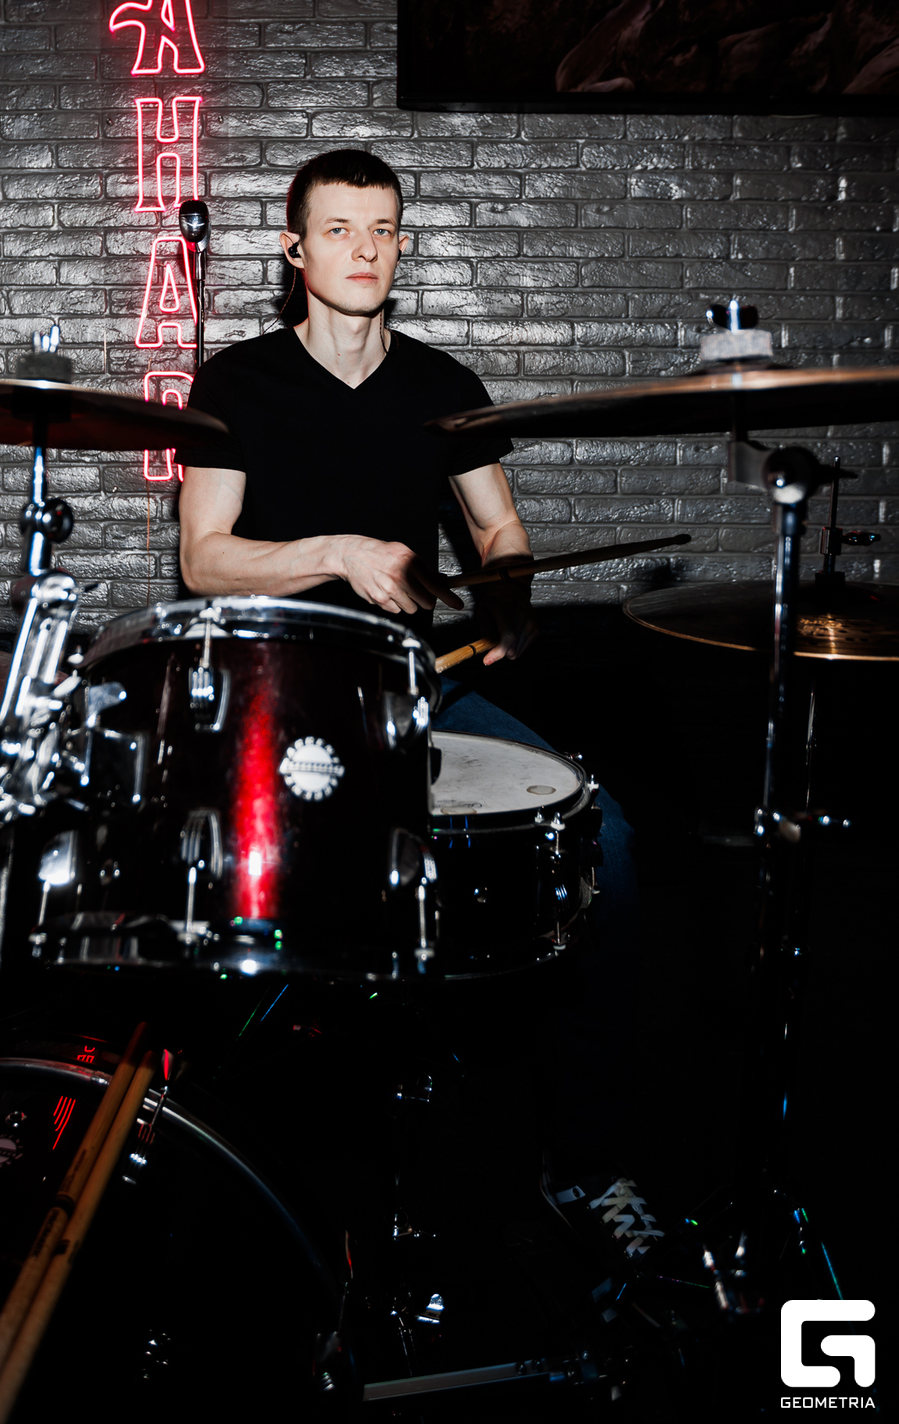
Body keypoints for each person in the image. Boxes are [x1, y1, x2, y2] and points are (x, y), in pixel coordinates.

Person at [178, 148, 663, 1274]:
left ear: (401, 246)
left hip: (424, 684)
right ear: (294, 250)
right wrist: (337, 552)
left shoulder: (443, 385)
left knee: (607, 843)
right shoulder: (235, 383)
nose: (364, 250)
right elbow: (204, 559)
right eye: (338, 230)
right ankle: (220, 1148)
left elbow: (496, 528)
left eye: (383, 230)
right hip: (284, 689)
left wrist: (508, 593)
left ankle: (585, 1165)